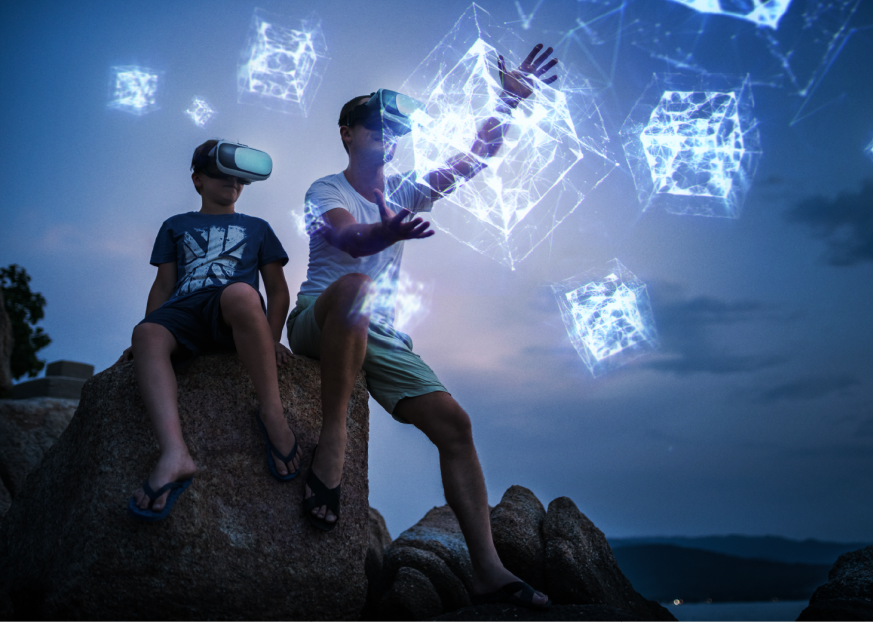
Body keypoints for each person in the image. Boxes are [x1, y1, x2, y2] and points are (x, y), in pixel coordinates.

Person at [287, 45, 558, 609]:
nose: (388, 137)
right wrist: (389, 232)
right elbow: (347, 239)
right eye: (376, 128)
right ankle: (332, 443)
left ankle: (486, 569)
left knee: (455, 424)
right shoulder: (326, 190)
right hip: (320, 318)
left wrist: (507, 102)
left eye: (395, 131)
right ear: (348, 134)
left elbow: (474, 158)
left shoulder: (405, 189)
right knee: (357, 288)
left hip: (377, 334)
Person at [117, 139, 301, 521]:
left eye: (238, 178)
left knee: (241, 292)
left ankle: (272, 414)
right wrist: (147, 327)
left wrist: (271, 337)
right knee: (147, 333)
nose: (232, 183)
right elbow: (164, 286)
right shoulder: (175, 225)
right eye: (221, 174)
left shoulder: (258, 228)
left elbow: (278, 290)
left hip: (231, 311)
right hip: (183, 312)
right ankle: (174, 453)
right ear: (197, 180)